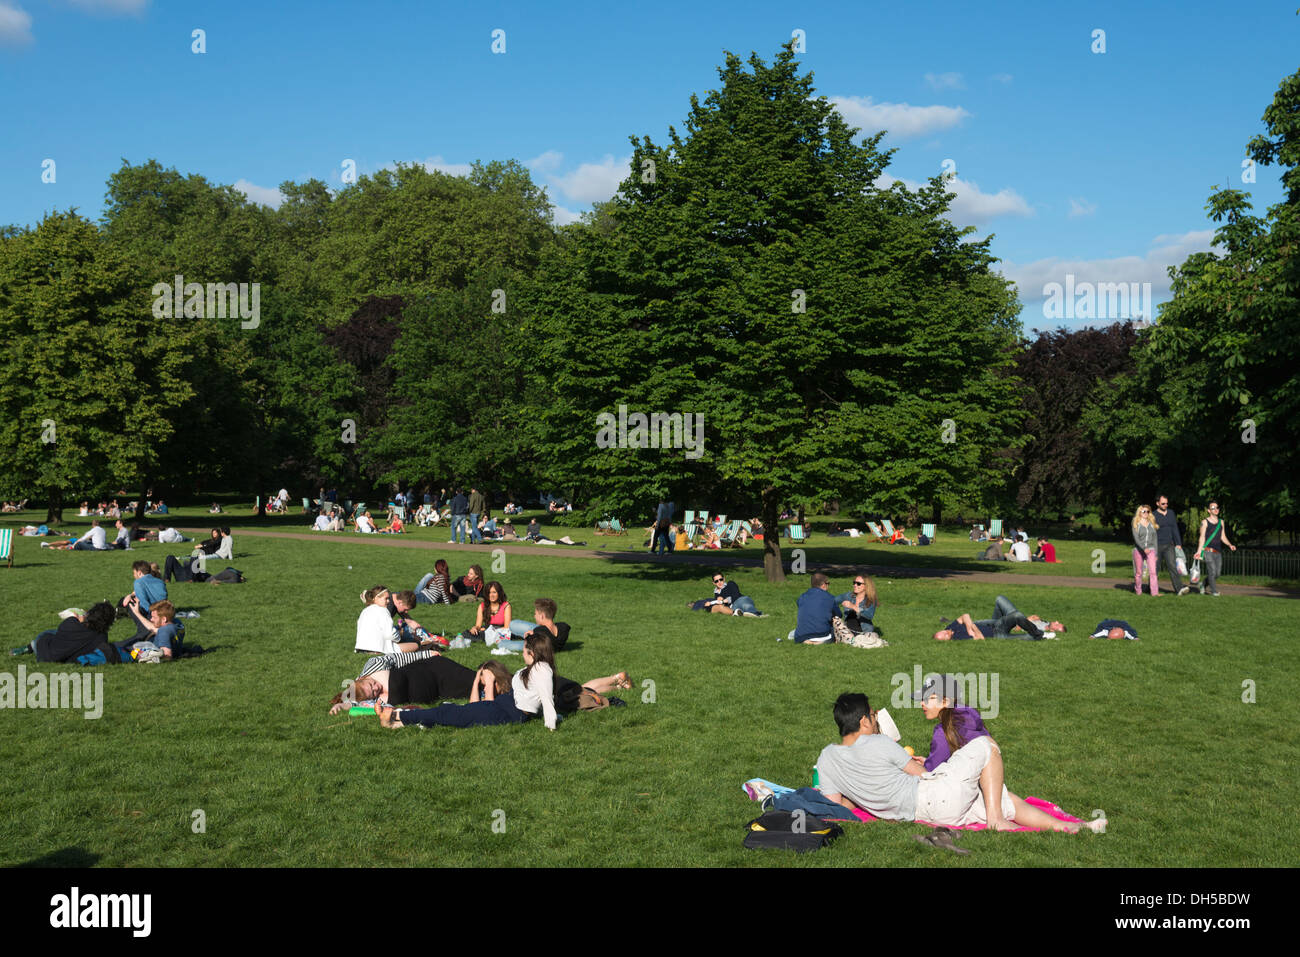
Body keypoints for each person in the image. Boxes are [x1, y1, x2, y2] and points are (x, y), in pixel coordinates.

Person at [815, 693, 1104, 833]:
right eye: (874, 715)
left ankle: (1072, 828)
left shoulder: (826, 759)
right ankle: (996, 821)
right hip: (933, 796)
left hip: (933, 815)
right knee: (985, 746)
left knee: (1002, 797)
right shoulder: (879, 742)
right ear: (864, 721)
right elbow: (924, 773)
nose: (877, 718)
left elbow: (838, 806)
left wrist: (864, 795)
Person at [376, 632, 628, 731]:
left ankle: (397, 718)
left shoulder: (541, 671)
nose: (522, 652)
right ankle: (404, 718)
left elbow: (547, 703)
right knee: (454, 712)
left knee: (454, 715)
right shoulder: (539, 668)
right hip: (506, 704)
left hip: (509, 711)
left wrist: (553, 725)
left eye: (524, 648)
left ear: (532, 651)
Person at [912, 674, 992, 772]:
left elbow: (930, 774)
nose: (922, 703)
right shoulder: (970, 718)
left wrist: (916, 767)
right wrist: (928, 762)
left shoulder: (944, 732)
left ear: (945, 702)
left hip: (966, 786)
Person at [933, 596, 1062, 641]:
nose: (945, 632)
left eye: (942, 632)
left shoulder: (949, 627)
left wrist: (969, 627)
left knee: (1000, 599)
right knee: (1018, 618)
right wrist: (972, 627)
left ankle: (1027, 627)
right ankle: (1040, 634)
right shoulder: (958, 638)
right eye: (944, 637)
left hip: (995, 624)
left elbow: (965, 616)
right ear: (947, 641)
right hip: (997, 634)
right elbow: (980, 638)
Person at [31, 603, 122, 664]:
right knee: (56, 634)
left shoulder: (70, 622)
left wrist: (78, 620)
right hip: (60, 658)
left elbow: (62, 631)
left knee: (49, 633)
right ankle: (30, 646)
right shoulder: (102, 637)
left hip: (43, 652)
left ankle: (29, 646)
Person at [354, 586, 417, 655]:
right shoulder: (383, 610)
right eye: (386, 598)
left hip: (361, 648)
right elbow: (389, 634)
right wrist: (399, 636)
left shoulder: (365, 611)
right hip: (377, 648)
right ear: (376, 598)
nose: (388, 601)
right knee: (415, 645)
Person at [116, 598, 184, 660]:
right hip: (169, 648)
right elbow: (154, 629)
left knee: (119, 649)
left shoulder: (164, 632)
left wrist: (151, 658)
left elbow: (167, 655)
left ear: (164, 619)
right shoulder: (178, 624)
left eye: (154, 617)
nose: (151, 619)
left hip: (144, 650)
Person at [1194, 500, 1236, 597]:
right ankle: (1214, 592)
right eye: (1213, 508)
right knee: (1212, 571)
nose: (1216, 509)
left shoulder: (1221, 522)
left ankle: (1203, 584)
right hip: (1208, 551)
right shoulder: (1204, 522)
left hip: (1218, 551)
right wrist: (1199, 552)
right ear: (1209, 510)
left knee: (1217, 573)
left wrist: (1230, 545)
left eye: (1217, 507)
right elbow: (1202, 537)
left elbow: (1223, 536)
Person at [1153, 494, 1190, 595]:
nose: (1165, 505)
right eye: (1163, 503)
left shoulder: (1171, 513)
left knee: (1173, 567)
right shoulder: (1153, 515)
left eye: (1167, 503)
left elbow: (1174, 528)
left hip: (1169, 545)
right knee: (1154, 569)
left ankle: (1179, 589)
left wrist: (1178, 543)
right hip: (1157, 546)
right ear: (1157, 503)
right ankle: (1152, 589)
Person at [788, 572, 839, 643]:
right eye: (828, 583)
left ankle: (807, 641)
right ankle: (819, 642)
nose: (828, 586)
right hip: (822, 634)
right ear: (824, 585)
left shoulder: (802, 597)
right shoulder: (830, 597)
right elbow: (838, 615)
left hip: (801, 635)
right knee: (835, 627)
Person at [689, 572, 762, 616]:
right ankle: (747, 614)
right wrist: (711, 603)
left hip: (741, 599)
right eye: (716, 581)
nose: (719, 582)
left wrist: (723, 600)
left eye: (721, 579)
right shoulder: (716, 594)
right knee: (740, 610)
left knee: (745, 605)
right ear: (714, 583)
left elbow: (735, 596)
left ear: (724, 579)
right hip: (733, 607)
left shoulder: (730, 584)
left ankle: (756, 614)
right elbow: (720, 605)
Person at [468, 581, 512, 645]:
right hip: (487, 630)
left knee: (483, 634)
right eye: (489, 593)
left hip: (501, 631)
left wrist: (489, 630)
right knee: (469, 633)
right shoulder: (482, 606)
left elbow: (506, 627)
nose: (491, 595)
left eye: (494, 592)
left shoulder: (506, 606)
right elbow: (478, 625)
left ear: (499, 593)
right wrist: (475, 628)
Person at [1131, 505, 1159, 595]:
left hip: (1151, 550)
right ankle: (1138, 590)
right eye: (1144, 511)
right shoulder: (1136, 524)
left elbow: (1155, 539)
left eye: (1148, 511)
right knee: (1139, 572)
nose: (1146, 513)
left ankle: (1154, 592)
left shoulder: (1152, 524)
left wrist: (1156, 554)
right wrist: (1143, 548)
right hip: (1138, 550)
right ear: (1139, 513)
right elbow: (1136, 539)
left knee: (1153, 572)